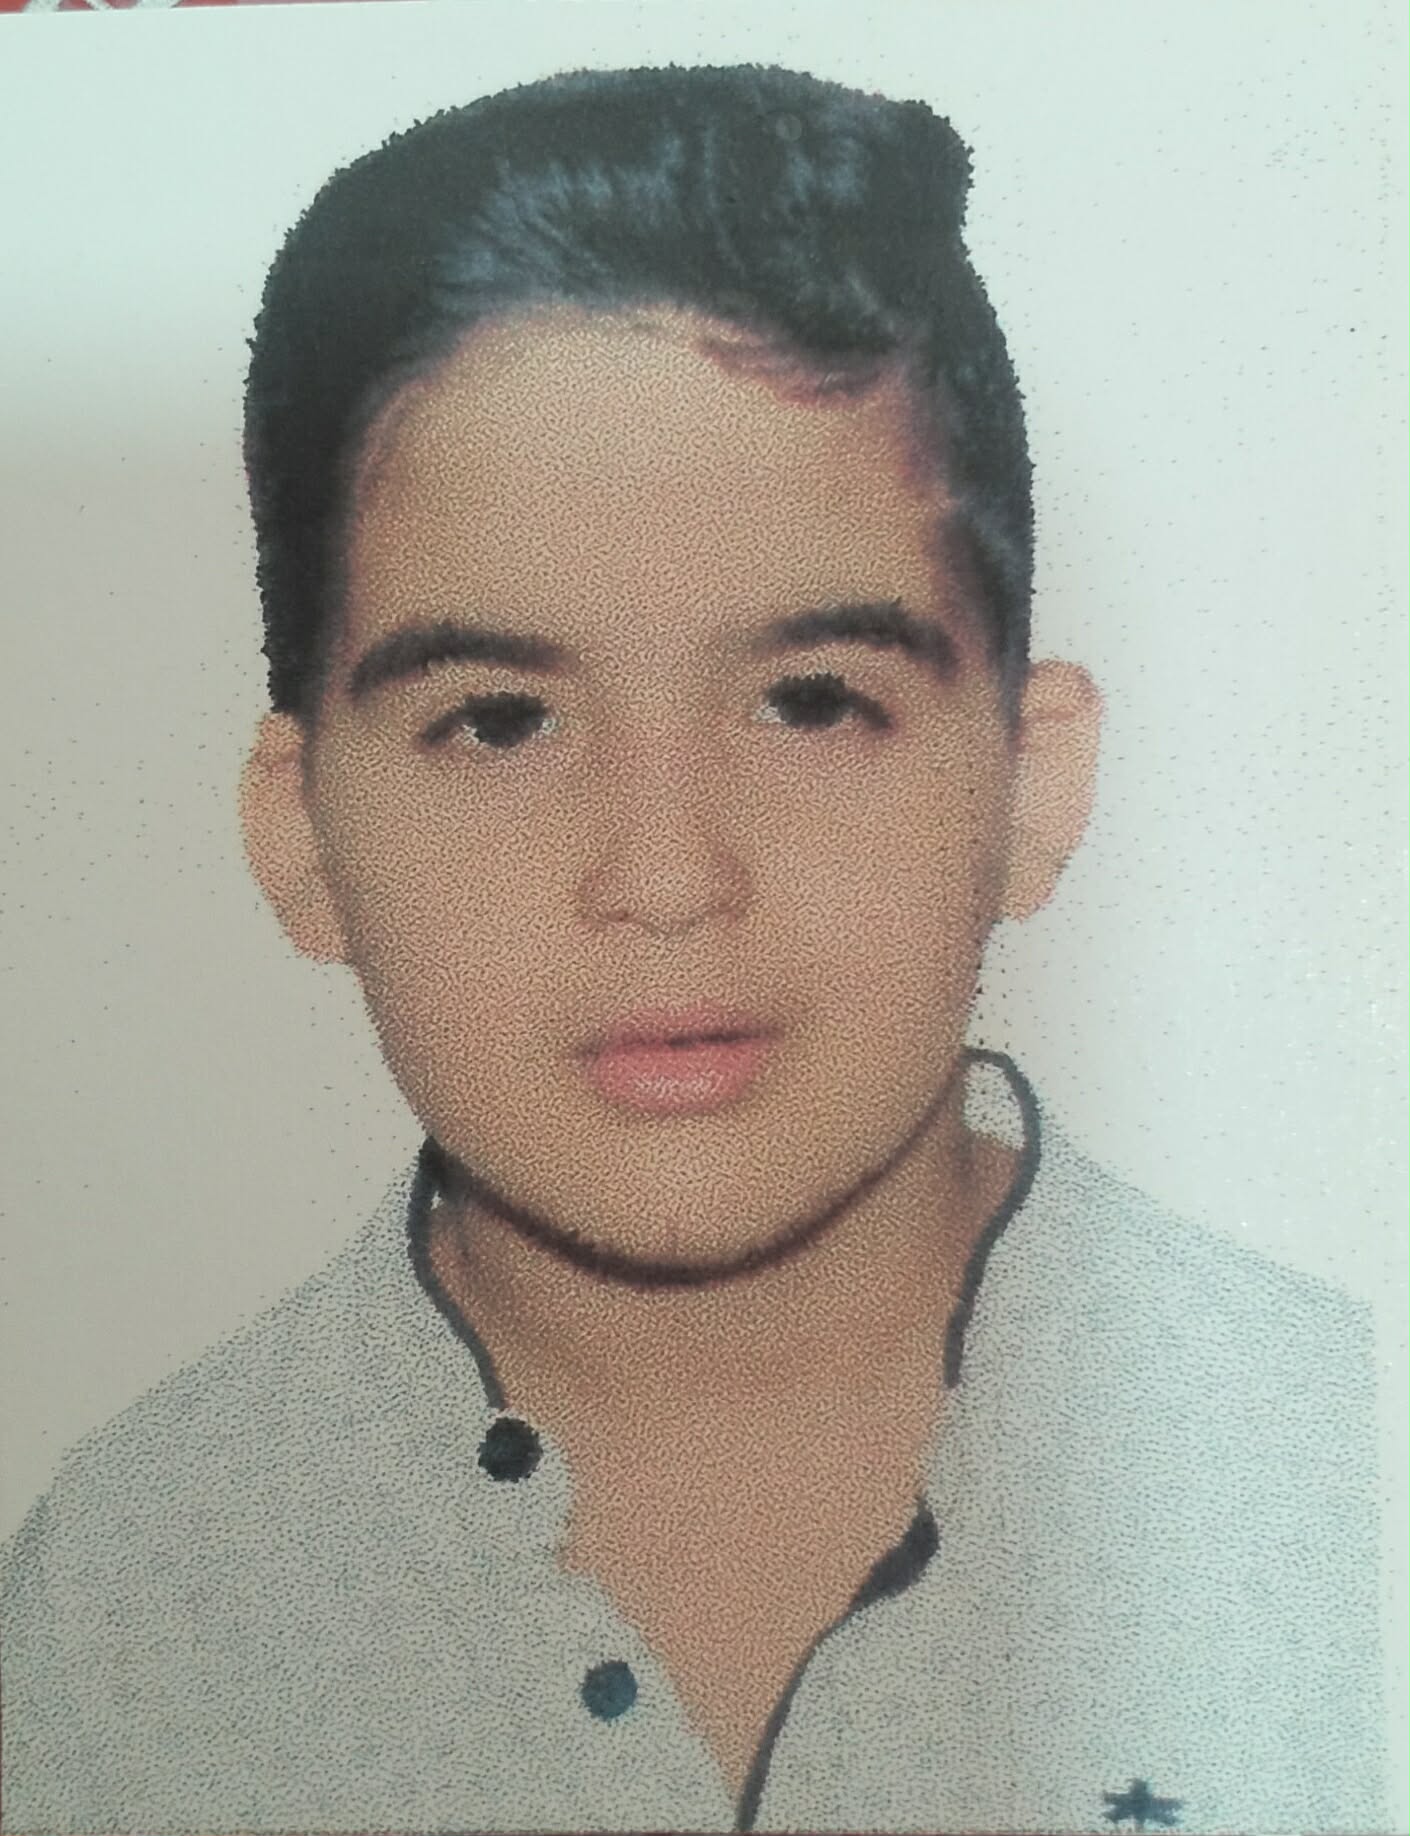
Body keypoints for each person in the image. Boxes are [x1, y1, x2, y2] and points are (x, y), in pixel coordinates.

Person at [0, 62, 1385, 1836]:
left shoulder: (1344, 1486)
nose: (665, 878)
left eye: (810, 701)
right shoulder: (114, 1616)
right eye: (500, 721)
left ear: (1030, 786)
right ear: (304, 841)